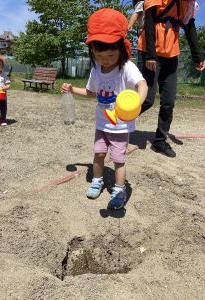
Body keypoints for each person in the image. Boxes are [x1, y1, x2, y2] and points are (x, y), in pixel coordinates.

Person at [61, 8, 148, 210]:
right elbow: (92, 93)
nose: (105, 58)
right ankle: (97, 180)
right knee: (98, 154)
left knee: (118, 160)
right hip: (102, 124)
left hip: (119, 127)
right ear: (92, 51)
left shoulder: (126, 67)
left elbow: (142, 85)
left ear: (122, 48)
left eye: (110, 53)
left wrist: (137, 102)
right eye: (99, 54)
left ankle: (119, 190)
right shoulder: (96, 70)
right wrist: (73, 89)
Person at [137, 0, 205, 157]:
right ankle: (119, 121)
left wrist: (197, 56)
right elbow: (148, 22)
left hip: (171, 55)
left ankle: (160, 141)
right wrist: (150, 55)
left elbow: (188, 26)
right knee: (146, 99)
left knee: (169, 101)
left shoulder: (187, 3)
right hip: (150, 52)